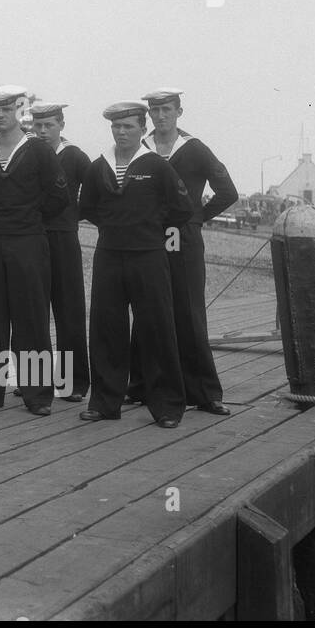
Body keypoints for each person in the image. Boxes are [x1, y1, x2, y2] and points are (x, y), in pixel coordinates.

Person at [79, 102, 192, 428]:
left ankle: (168, 406)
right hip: (110, 256)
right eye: (116, 127)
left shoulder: (156, 165)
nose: (121, 132)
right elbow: (87, 207)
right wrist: (116, 225)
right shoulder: (99, 165)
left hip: (148, 256)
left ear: (143, 129)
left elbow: (182, 209)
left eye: (128, 126)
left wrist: (147, 225)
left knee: (157, 329)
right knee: (106, 329)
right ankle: (104, 402)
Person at [0, 85, 69, 417]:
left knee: (32, 318)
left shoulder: (38, 150)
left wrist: (27, 216)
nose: (0, 115)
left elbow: (58, 197)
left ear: (20, 111)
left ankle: (38, 396)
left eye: (7, 109)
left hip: (28, 241)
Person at [132, 87, 237, 416]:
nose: (160, 116)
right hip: (147, 239)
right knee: (147, 311)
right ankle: (140, 387)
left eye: (166, 109)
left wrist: (195, 218)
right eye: (154, 110)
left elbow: (227, 191)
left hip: (184, 239)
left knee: (189, 313)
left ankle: (205, 392)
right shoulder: (141, 148)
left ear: (179, 112)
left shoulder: (194, 149)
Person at [29, 102, 91, 402]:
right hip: (29, 238)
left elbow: (95, 195)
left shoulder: (75, 156)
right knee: (31, 312)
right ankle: (31, 380)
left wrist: (71, 216)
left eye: (48, 125)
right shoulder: (25, 153)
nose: (42, 131)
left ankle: (73, 382)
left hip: (63, 239)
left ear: (61, 125)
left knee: (69, 312)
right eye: (37, 125)